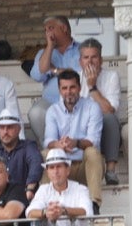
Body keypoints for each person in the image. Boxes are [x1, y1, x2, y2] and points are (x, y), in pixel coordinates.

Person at [42, 69, 105, 211]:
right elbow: (49, 140)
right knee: (47, 153)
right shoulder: (53, 110)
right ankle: (46, 205)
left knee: (92, 152)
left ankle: (94, 204)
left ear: (79, 88)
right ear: (59, 90)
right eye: (64, 88)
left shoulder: (92, 107)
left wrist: (75, 142)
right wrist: (58, 145)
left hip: (84, 167)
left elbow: (93, 140)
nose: (68, 92)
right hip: (62, 167)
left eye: (72, 87)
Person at [27, 17, 83, 145]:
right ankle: (48, 148)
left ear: (64, 28)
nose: (47, 33)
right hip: (50, 102)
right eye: (45, 30)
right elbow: (38, 75)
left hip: (76, 100)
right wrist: (50, 47)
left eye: (51, 28)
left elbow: (77, 75)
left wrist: (53, 69)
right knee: (35, 113)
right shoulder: (44, 52)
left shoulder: (82, 49)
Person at [75, 41, 122, 186]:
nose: (90, 61)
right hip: (81, 128)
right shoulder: (74, 78)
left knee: (110, 119)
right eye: (86, 57)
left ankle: (111, 171)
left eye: (94, 57)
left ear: (101, 60)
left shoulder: (111, 76)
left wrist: (92, 87)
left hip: (104, 129)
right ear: (80, 61)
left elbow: (109, 109)